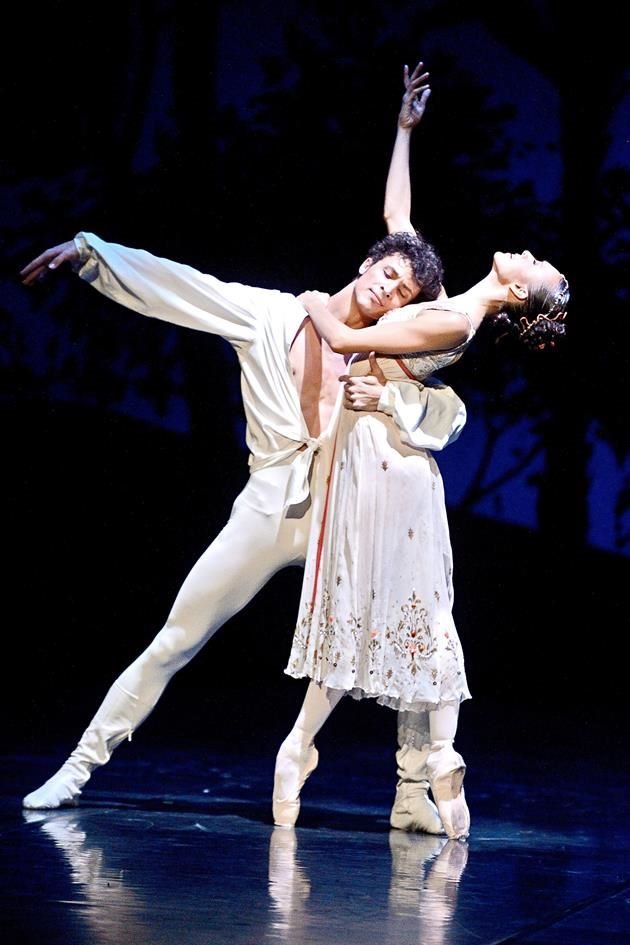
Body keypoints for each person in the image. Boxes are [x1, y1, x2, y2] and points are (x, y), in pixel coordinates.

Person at [18, 63, 467, 815]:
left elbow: (442, 397)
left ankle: (417, 790)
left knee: (420, 623)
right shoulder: (270, 314)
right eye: (385, 277)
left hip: (344, 516)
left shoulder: (392, 351)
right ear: (364, 266)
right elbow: (184, 286)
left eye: (402, 291)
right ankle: (78, 766)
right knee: (178, 634)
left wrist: (386, 399)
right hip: (270, 506)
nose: (389, 291)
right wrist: (94, 252)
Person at [271, 64, 570, 840]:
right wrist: (405, 129)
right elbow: (398, 222)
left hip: (388, 471)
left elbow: (345, 335)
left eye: (540, 268)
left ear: (523, 295)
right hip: (375, 459)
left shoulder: (452, 324)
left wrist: (303, 301)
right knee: (397, 612)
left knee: (401, 613)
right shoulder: (452, 303)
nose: (529, 252)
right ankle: (419, 765)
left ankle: (351, 754)